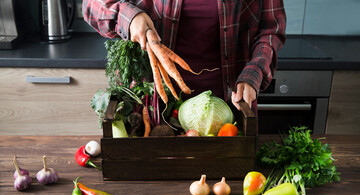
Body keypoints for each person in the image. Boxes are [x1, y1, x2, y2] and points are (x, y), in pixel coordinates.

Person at [82, 0, 286, 113]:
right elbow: (91, 5)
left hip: (228, 110)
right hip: (151, 112)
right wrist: (129, 16)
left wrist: (254, 73)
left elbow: (270, 30)